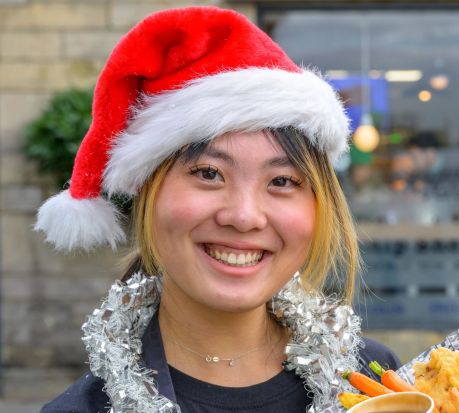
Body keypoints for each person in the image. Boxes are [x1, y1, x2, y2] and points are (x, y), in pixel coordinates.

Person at [36, 6, 400, 413]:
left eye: (282, 181)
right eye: (209, 173)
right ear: (147, 193)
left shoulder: (379, 385)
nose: (244, 216)